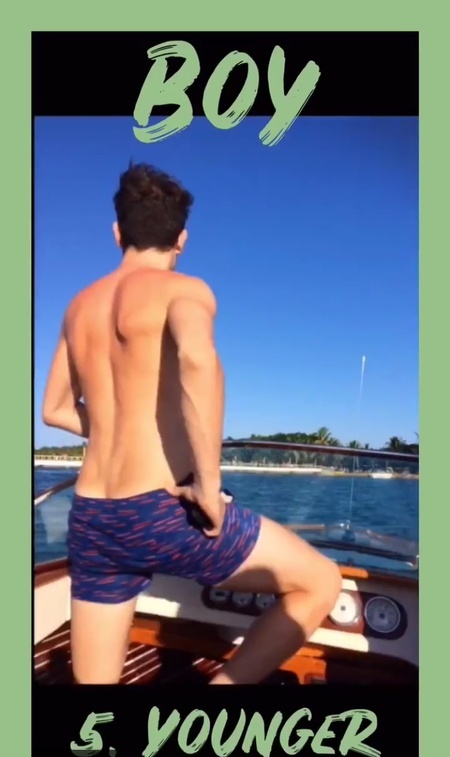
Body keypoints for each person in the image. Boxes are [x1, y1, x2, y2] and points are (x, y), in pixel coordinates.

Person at [42, 163, 341, 685]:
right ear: (181, 238)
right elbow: (198, 363)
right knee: (320, 582)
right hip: (158, 510)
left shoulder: (78, 307)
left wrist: (113, 423)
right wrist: (208, 484)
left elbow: (54, 410)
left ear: (117, 232)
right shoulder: (184, 289)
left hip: (93, 516)